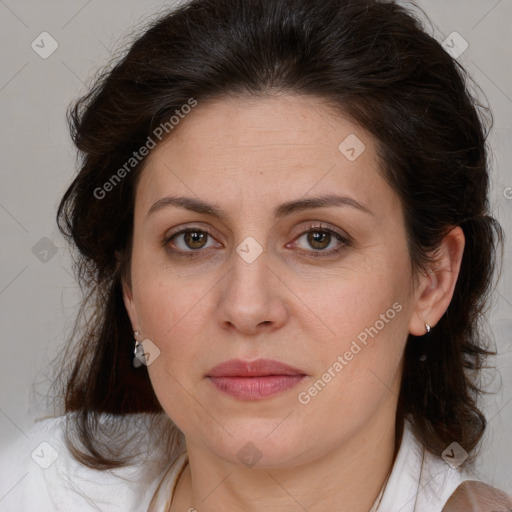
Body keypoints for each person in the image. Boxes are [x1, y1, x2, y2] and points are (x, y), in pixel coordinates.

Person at [1, 0, 511, 510]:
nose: (246, 308)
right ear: (130, 288)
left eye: (319, 238)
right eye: (193, 239)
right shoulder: (34, 487)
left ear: (432, 281)